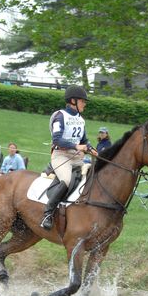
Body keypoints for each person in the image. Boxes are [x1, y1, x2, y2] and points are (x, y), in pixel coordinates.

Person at [40, 85, 97, 230]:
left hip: (77, 157)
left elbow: (84, 140)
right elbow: (57, 140)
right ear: (73, 101)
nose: (85, 103)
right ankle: (47, 213)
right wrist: (77, 146)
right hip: (61, 156)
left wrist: (91, 149)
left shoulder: (81, 119)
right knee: (66, 180)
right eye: (83, 101)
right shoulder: (60, 116)